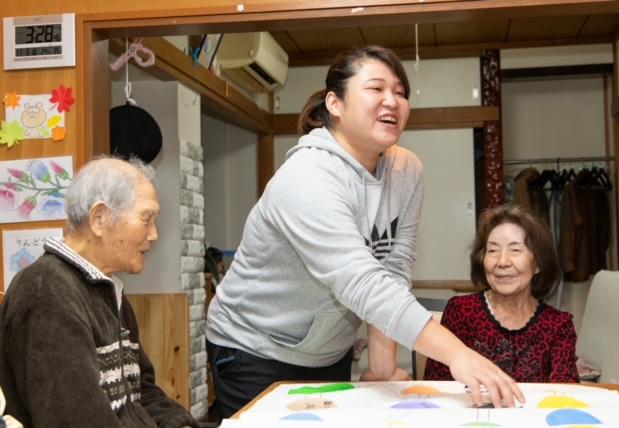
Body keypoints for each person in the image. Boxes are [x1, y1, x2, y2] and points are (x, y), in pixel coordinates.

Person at [206, 45, 523, 418]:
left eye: (401, 92)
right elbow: (361, 282)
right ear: (334, 104)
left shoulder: (408, 171)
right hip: (253, 348)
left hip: (328, 350)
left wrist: (384, 369)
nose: (392, 101)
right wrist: (459, 355)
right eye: (376, 89)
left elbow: (393, 272)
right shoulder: (307, 176)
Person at [0, 157, 199, 428]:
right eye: (146, 218)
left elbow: (143, 394)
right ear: (99, 218)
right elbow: (74, 420)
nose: (153, 234)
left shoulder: (106, 288)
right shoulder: (46, 293)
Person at [424, 205, 579, 383]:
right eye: (493, 250)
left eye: (515, 250)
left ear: (537, 263)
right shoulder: (461, 312)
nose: (502, 261)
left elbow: (566, 393)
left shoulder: (558, 325)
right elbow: (436, 385)